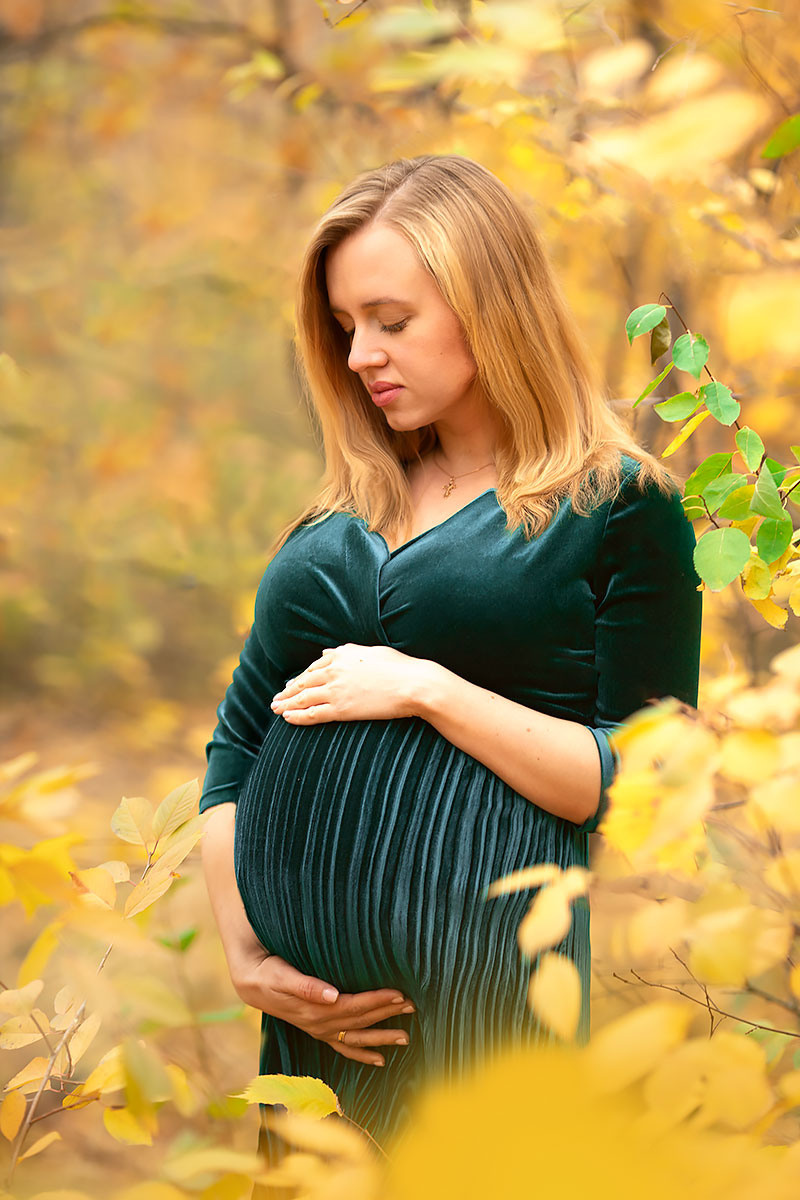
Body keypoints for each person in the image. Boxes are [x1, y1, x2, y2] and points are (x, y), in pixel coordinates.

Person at [198, 155, 702, 1160]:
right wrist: (247, 954)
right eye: (345, 326)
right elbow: (236, 751)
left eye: (391, 320)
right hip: (314, 1036)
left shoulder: (616, 508)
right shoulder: (336, 516)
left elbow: (646, 780)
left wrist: (428, 690)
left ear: (488, 303)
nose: (360, 355)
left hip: (491, 1017)